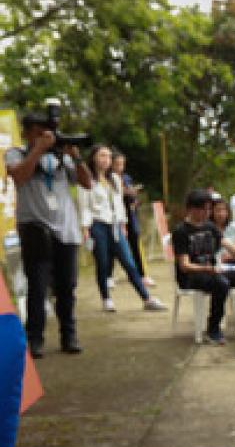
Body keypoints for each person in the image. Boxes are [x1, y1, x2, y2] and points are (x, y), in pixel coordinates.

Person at [5, 108, 92, 357]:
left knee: (67, 287)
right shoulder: (16, 153)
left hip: (66, 229)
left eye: (47, 132)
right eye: (38, 132)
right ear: (26, 133)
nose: (45, 136)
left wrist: (76, 158)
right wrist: (38, 150)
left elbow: (86, 183)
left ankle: (69, 335)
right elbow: (19, 176)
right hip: (35, 228)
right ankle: (35, 339)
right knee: (38, 285)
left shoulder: (61, 156)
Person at [173, 188, 235, 344]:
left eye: (209, 209)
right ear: (191, 209)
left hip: (212, 271)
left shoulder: (209, 226)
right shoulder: (181, 231)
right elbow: (184, 266)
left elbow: (230, 246)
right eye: (204, 210)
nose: (207, 213)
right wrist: (208, 269)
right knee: (221, 283)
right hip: (191, 276)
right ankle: (213, 329)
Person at [79, 145, 165, 314]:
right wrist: (85, 228)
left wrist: (123, 223)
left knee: (129, 262)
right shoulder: (86, 179)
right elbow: (84, 207)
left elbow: (119, 204)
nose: (106, 160)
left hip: (115, 225)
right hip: (97, 224)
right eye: (102, 155)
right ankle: (106, 298)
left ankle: (146, 298)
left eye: (108, 156)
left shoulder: (115, 179)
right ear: (94, 157)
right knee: (102, 263)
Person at [111, 152, 153, 287]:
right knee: (112, 245)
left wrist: (134, 199)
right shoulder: (106, 179)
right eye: (117, 164)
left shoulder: (126, 178)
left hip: (129, 215)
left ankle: (142, 275)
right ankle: (109, 276)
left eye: (122, 164)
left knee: (135, 243)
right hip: (113, 216)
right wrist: (123, 191)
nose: (120, 167)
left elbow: (133, 197)